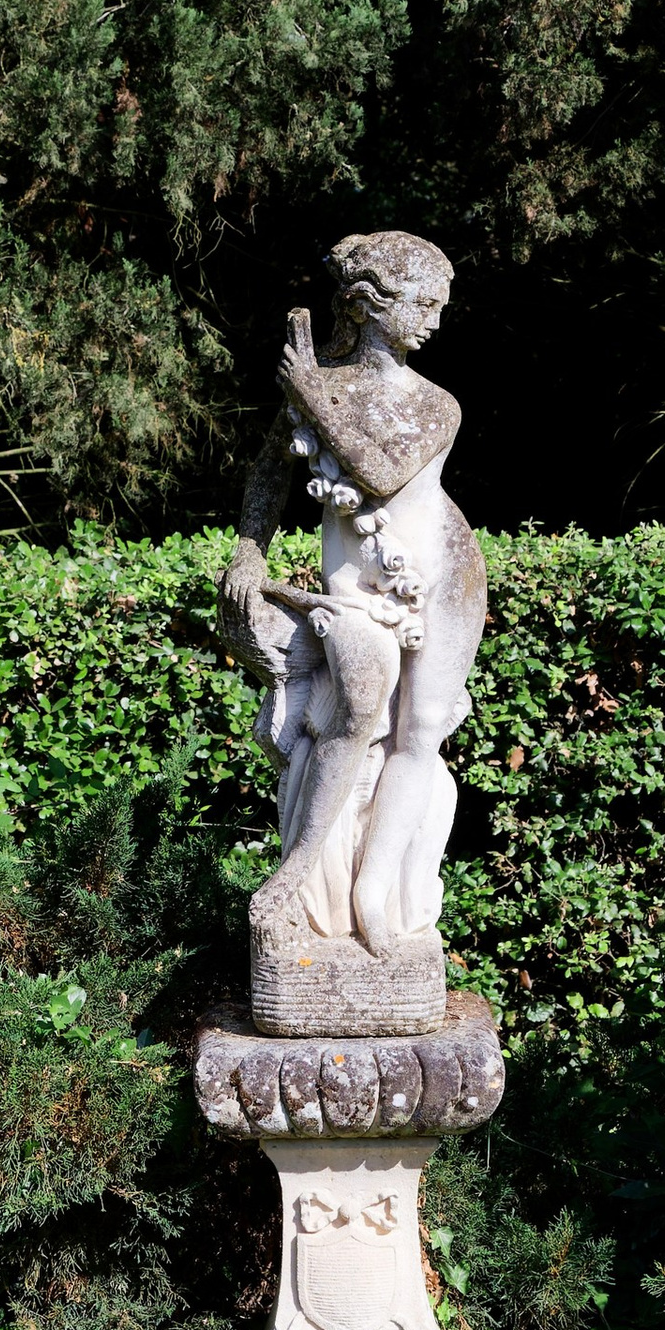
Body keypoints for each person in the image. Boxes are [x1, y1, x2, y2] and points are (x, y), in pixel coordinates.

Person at [220, 229, 487, 959]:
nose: (434, 319)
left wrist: (307, 388)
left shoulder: (435, 404)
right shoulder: (321, 386)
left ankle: (376, 899)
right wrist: (250, 548)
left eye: (441, 305)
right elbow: (270, 475)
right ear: (369, 305)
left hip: (444, 579)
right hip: (358, 587)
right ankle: (296, 880)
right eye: (422, 303)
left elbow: (376, 471)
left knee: (420, 732)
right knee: (360, 705)